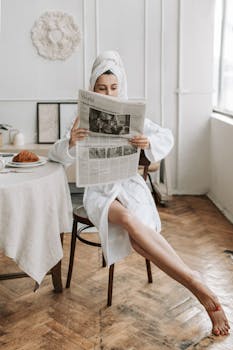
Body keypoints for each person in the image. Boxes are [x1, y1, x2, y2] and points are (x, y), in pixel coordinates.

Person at [48, 51, 230, 336]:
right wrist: (70, 143)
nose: (108, 92)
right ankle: (197, 284)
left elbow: (165, 136)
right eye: (101, 88)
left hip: (130, 185)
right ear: (92, 88)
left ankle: (200, 288)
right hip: (99, 193)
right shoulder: (80, 116)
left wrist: (147, 142)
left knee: (140, 242)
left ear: (120, 85)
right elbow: (56, 154)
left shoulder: (130, 115)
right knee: (132, 224)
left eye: (113, 87)